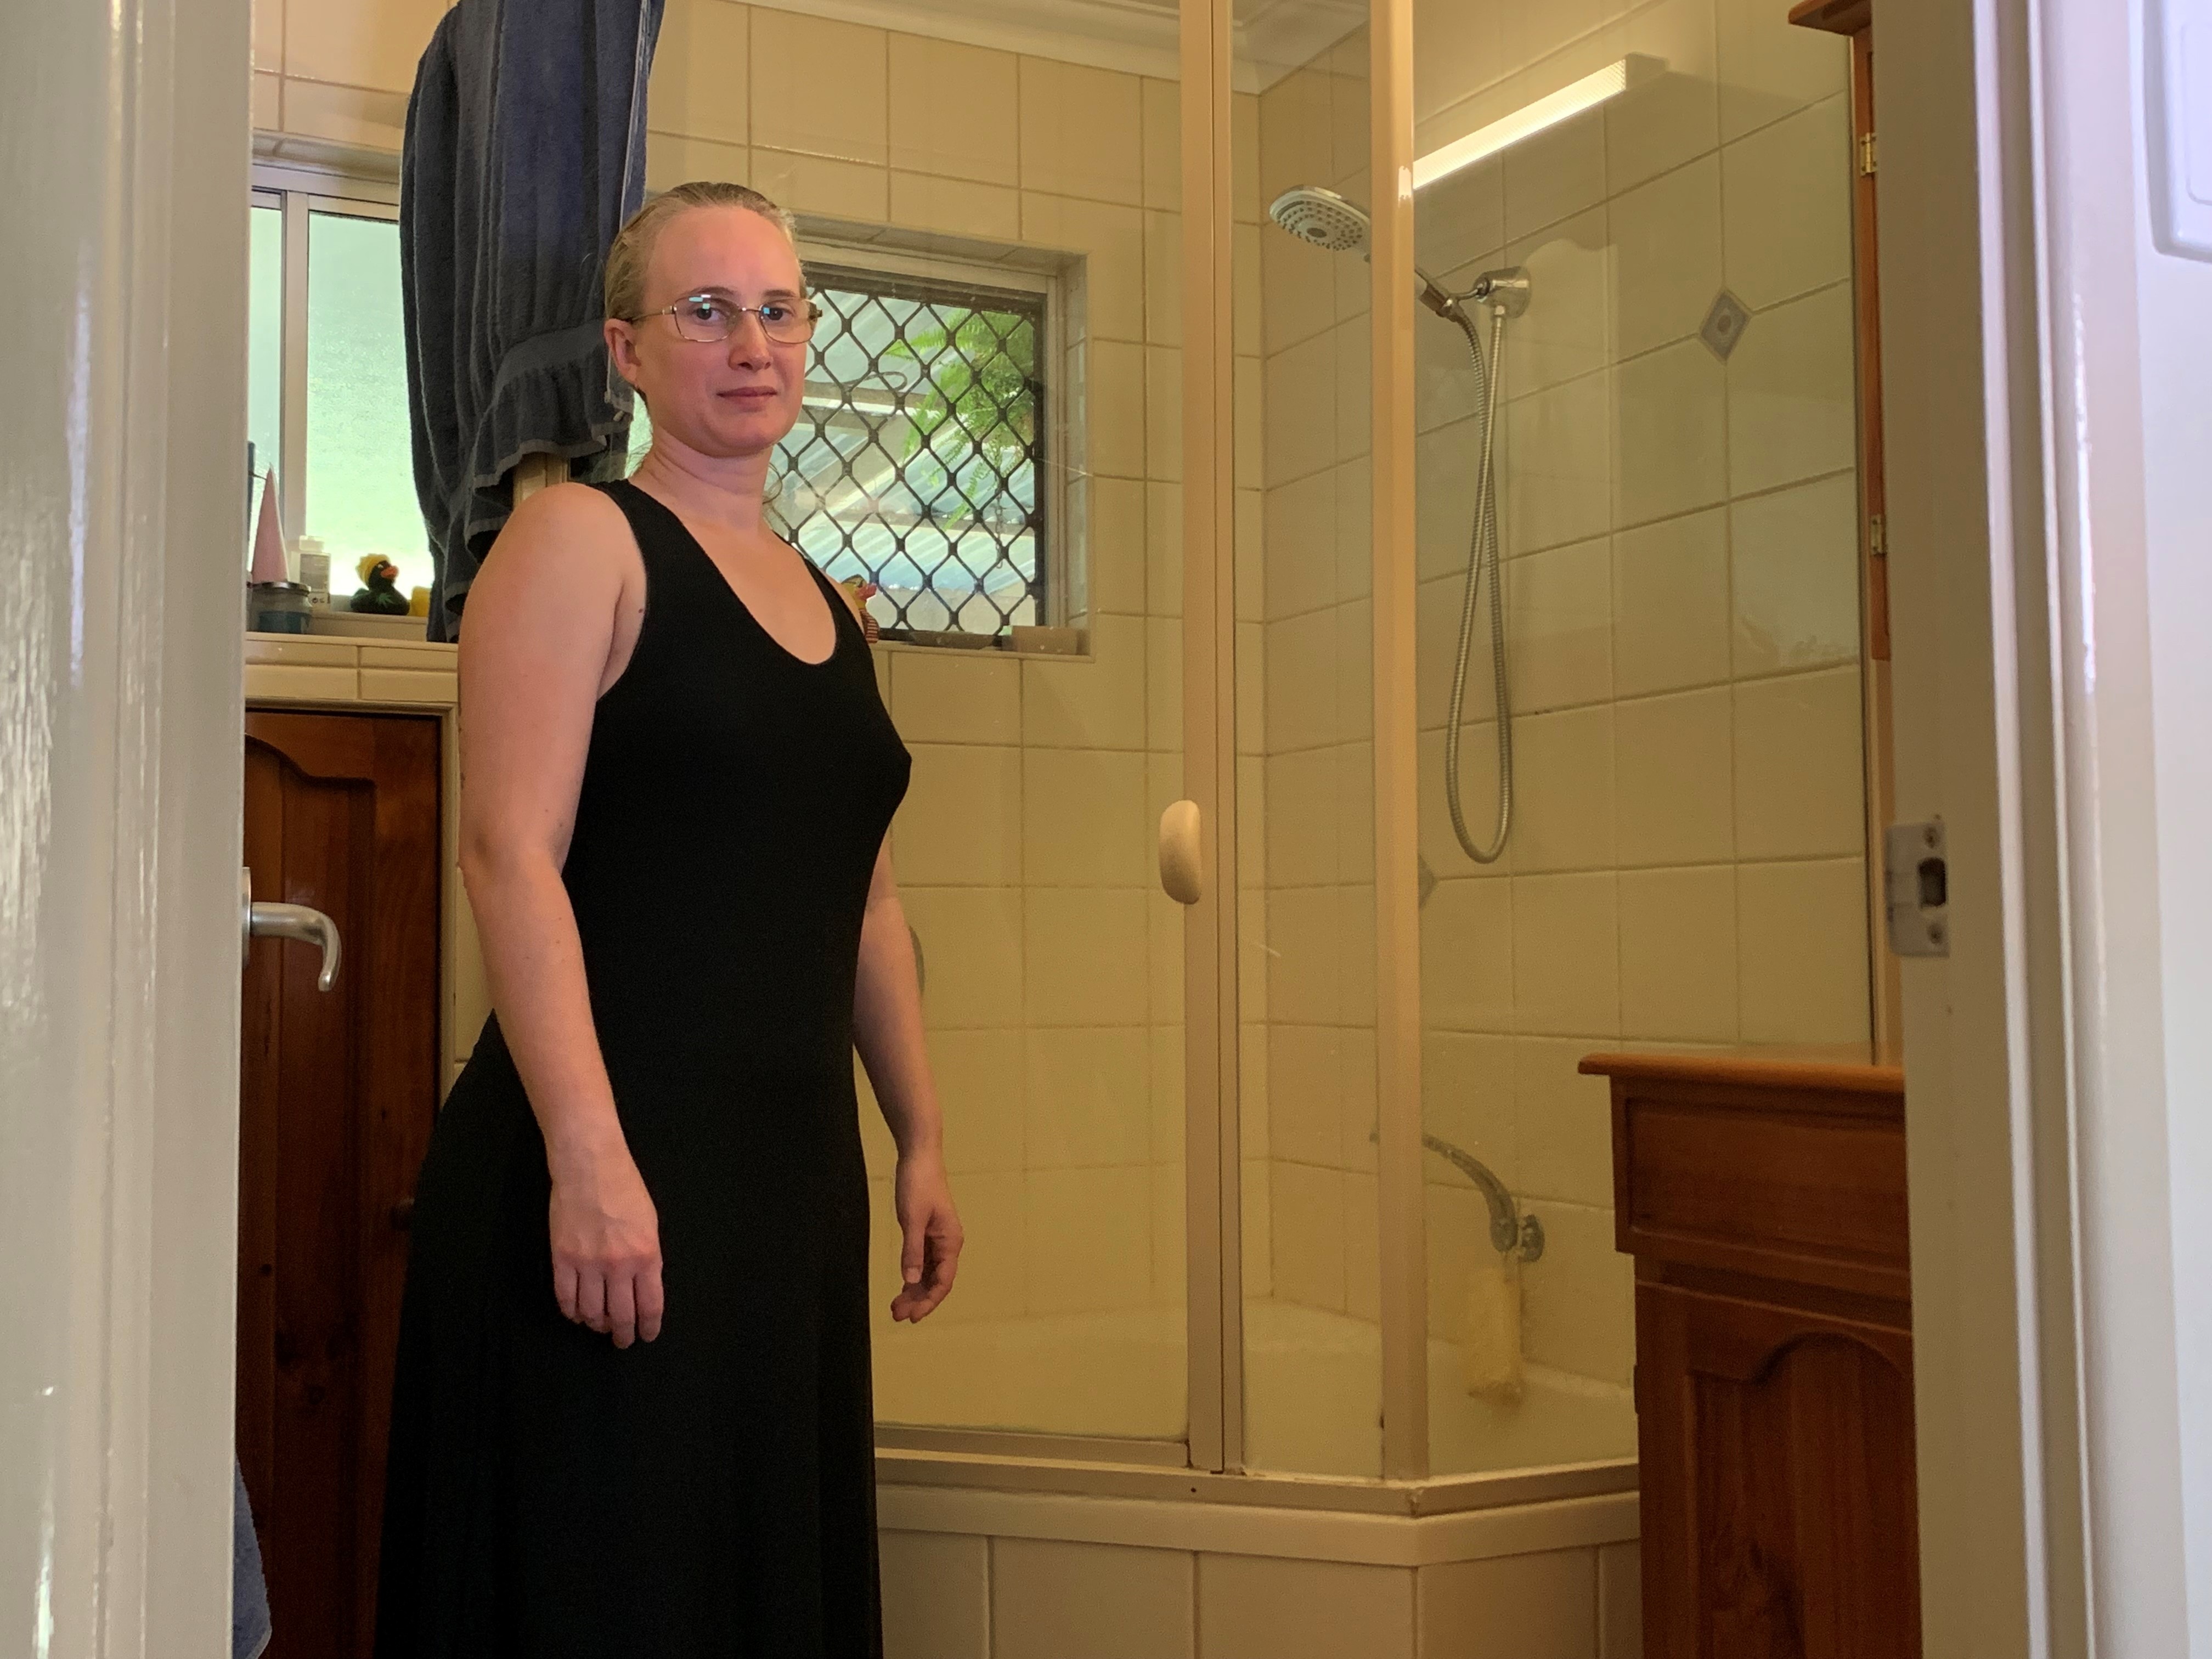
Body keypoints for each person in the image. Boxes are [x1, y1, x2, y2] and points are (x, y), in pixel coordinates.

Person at [375, 180, 960, 1658]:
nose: (750, 342)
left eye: (777, 309)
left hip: (784, 1196)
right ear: (629, 351)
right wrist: (589, 1160)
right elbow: (508, 853)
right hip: (603, 1186)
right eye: (706, 310)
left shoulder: (842, 603)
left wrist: (923, 1140)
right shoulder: (580, 541)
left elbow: (863, 894)